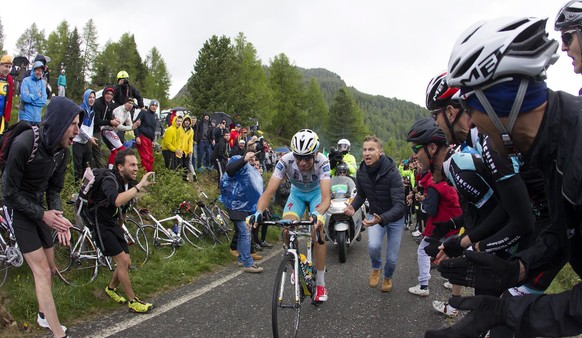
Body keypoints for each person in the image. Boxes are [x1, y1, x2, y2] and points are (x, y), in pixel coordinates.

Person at [426, 15, 582, 337]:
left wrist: (512, 312)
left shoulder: (576, 150)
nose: (470, 124)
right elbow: (561, 229)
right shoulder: (553, 141)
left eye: (470, 108)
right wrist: (518, 268)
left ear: (499, 106)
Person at [3, 97, 84, 337]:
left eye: (79, 124)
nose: (78, 130)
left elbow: (54, 190)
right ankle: (59, 333)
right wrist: (43, 215)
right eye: (74, 124)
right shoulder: (25, 143)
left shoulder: (62, 151)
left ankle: (42, 316)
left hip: (39, 207)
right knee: (41, 271)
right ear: (60, 122)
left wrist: (58, 219)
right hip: (17, 207)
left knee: (51, 267)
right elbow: (8, 194)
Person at [251, 129, 331, 302]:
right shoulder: (285, 161)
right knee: (287, 228)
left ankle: (320, 283)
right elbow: (268, 192)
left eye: (307, 158)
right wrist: (258, 212)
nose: (302, 162)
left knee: (317, 232)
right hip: (297, 195)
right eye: (298, 157)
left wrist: (319, 215)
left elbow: (326, 198)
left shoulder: (323, 161)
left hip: (317, 194)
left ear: (315, 153)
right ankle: (296, 265)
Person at [93, 149, 154, 313]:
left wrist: (121, 226)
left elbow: (125, 207)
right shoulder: (109, 180)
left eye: (137, 165)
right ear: (120, 167)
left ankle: (110, 289)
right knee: (121, 261)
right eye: (132, 165)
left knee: (127, 262)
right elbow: (117, 201)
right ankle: (133, 301)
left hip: (113, 223)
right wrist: (140, 185)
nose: (136, 168)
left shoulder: (129, 183)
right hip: (99, 222)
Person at [343, 135, 405, 293]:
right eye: (364, 150)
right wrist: (353, 207)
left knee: (391, 258)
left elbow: (400, 205)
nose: (366, 153)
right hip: (375, 214)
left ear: (380, 152)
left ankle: (388, 277)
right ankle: (376, 267)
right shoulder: (361, 171)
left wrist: (382, 219)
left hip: (395, 219)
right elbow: (362, 195)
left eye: (371, 149)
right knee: (373, 246)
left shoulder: (393, 173)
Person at [221, 151, 265, 273]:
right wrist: (244, 159)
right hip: (236, 205)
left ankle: (242, 259)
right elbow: (229, 170)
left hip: (245, 206)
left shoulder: (250, 170)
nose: (252, 160)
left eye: (254, 158)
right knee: (245, 232)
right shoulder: (238, 161)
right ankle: (247, 263)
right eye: (250, 157)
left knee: (242, 233)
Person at [72, 89, 97, 181]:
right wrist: (89, 138)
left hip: (86, 142)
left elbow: (91, 125)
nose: (92, 99)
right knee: (77, 165)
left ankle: (86, 186)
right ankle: (76, 185)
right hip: (77, 141)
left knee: (88, 165)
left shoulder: (92, 111)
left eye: (93, 97)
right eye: (90, 97)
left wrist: (90, 136)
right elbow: (80, 128)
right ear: (86, 98)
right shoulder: (80, 109)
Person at [92, 86, 118, 168]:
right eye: (107, 93)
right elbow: (96, 120)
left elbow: (109, 117)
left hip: (97, 129)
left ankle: (99, 169)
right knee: (94, 149)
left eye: (111, 94)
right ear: (104, 94)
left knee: (97, 148)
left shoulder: (109, 105)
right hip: (90, 129)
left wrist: (114, 122)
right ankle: (99, 169)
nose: (109, 96)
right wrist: (110, 122)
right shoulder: (98, 103)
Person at [18, 61, 47, 125]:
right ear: (33, 70)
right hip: (25, 118)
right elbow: (25, 97)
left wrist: (30, 98)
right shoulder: (26, 81)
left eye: (41, 71)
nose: (39, 73)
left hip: (37, 119)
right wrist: (37, 96)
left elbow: (43, 101)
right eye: (37, 70)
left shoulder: (42, 83)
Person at [134, 99, 158, 172]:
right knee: (146, 157)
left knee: (150, 158)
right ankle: (146, 175)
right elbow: (135, 124)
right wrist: (137, 136)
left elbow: (153, 129)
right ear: (150, 106)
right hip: (142, 137)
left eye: (156, 106)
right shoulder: (143, 113)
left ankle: (150, 175)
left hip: (149, 139)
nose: (154, 107)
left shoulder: (155, 116)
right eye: (153, 105)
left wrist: (153, 140)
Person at [178, 115, 196, 181]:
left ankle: (184, 178)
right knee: (180, 164)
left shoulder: (191, 130)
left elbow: (190, 141)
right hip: (179, 149)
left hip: (186, 150)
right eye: (186, 121)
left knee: (186, 165)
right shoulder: (179, 128)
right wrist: (178, 149)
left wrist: (190, 150)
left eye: (188, 121)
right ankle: (178, 178)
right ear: (183, 121)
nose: (187, 122)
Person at [0, 54, 14, 134]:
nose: (7, 69)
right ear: (0, 65)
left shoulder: (10, 80)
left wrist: (7, 117)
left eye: (9, 67)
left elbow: (9, 99)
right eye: (6, 66)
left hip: (2, 115)